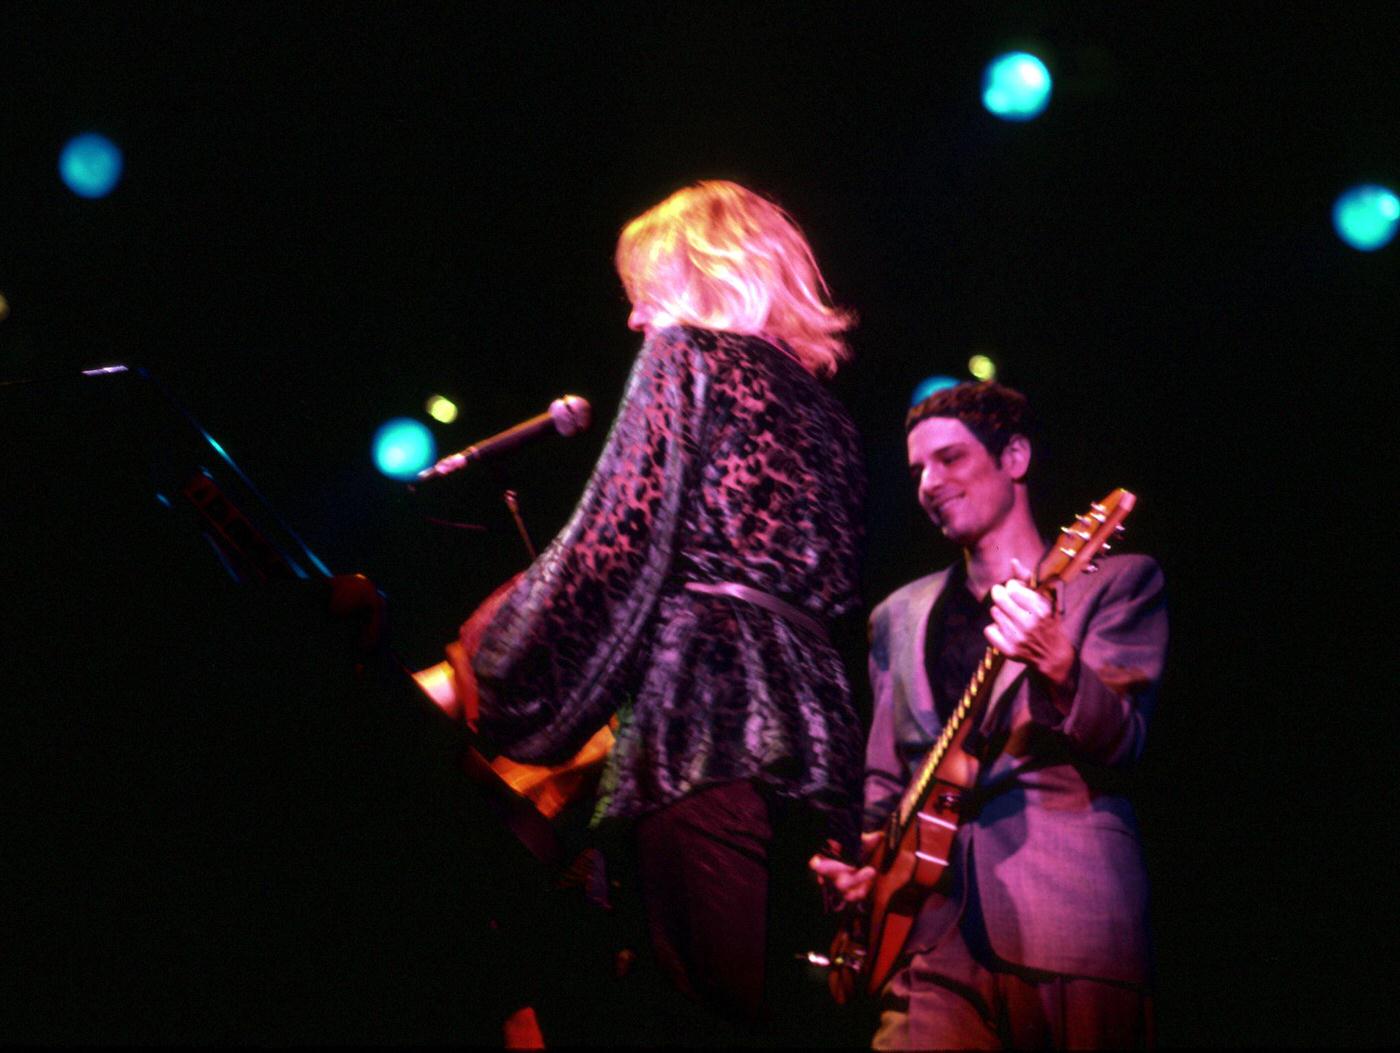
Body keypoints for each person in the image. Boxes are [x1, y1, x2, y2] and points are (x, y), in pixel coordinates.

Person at [468, 180, 868, 1037]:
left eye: (644, 290)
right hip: (819, 744)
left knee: (696, 1014)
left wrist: (492, 663)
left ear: (698, 273)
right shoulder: (832, 418)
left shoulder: (687, 355)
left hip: (707, 726)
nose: (634, 320)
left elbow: (619, 537)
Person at [811, 381, 1167, 1049]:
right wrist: (865, 866)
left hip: (1072, 921)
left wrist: (1061, 667)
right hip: (927, 939)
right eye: (918, 469)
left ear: (1016, 458)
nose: (928, 482)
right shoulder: (897, 614)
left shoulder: (1115, 583)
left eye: (949, 458)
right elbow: (887, 784)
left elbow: (1126, 740)